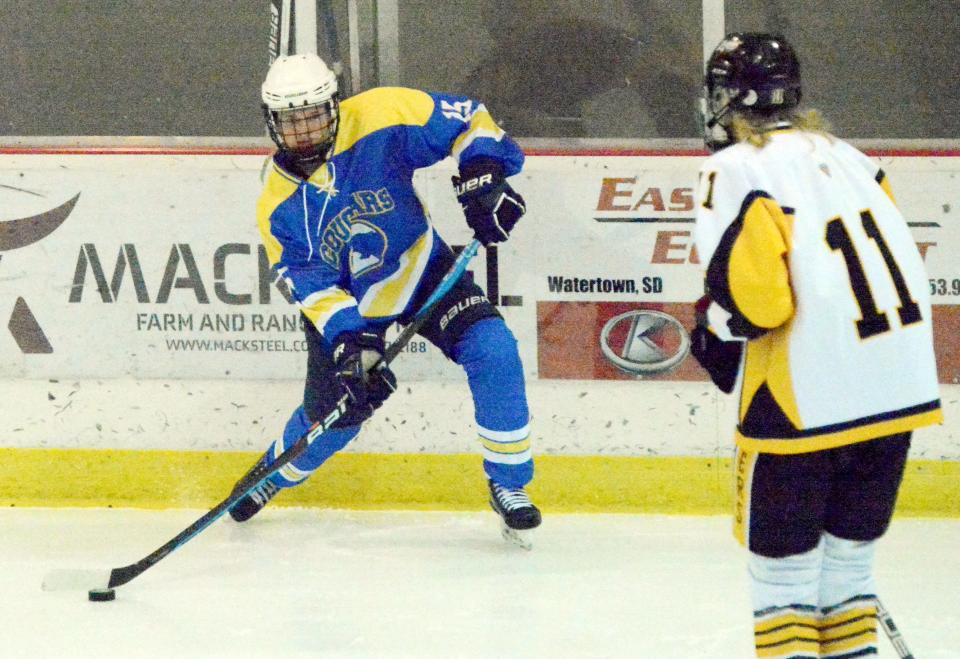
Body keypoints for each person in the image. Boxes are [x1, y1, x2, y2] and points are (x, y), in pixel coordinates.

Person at [691, 33, 942, 658]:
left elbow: (760, 304)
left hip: (804, 400)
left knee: (784, 582)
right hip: (896, 397)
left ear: (731, 101)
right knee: (848, 576)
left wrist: (713, 330)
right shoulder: (856, 159)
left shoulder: (734, 168)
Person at [227, 53, 540, 547]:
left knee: (494, 350)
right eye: (291, 121)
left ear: (334, 105)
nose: (305, 131)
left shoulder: (380, 115)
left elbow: (468, 118)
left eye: (314, 115)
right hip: (353, 309)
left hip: (422, 270)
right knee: (338, 417)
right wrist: (352, 342)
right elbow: (310, 282)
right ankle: (274, 473)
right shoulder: (278, 204)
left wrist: (483, 173)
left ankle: (508, 483)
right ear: (271, 122)